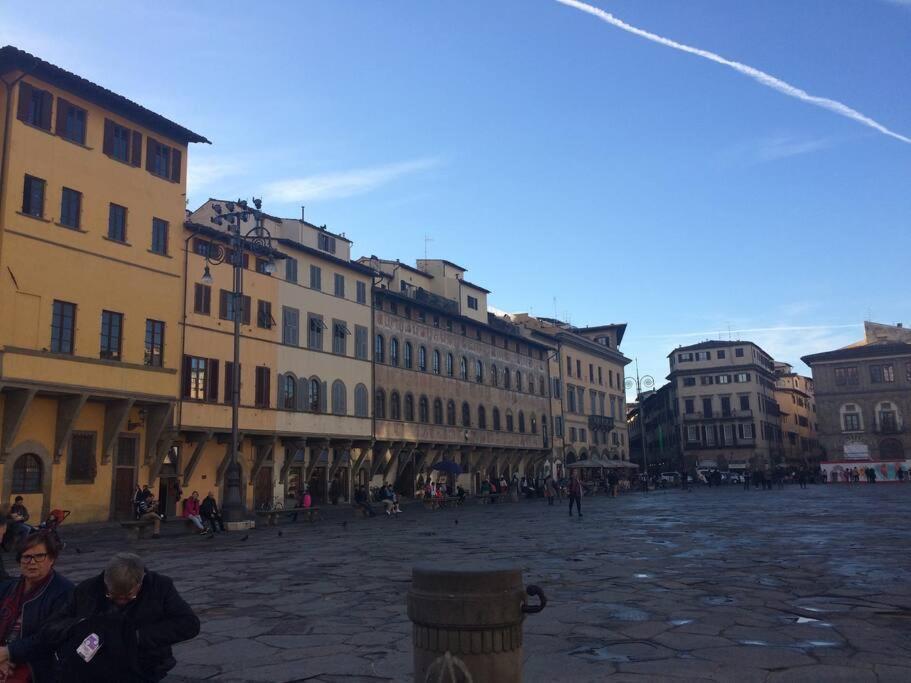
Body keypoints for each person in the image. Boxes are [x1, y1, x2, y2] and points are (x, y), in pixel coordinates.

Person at [44, 552, 199, 682]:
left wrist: (137, 637)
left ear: (141, 582)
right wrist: (83, 627)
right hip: (93, 668)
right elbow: (53, 626)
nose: (120, 601)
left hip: (144, 665)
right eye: (112, 595)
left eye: (128, 597)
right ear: (106, 581)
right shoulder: (87, 589)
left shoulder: (160, 587)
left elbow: (189, 624)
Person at [0, 532, 73, 682]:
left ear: (52, 559)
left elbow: (48, 638)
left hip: (35, 664)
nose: (31, 562)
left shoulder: (64, 592)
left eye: (39, 556)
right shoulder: (7, 588)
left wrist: (8, 652)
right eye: (26, 557)